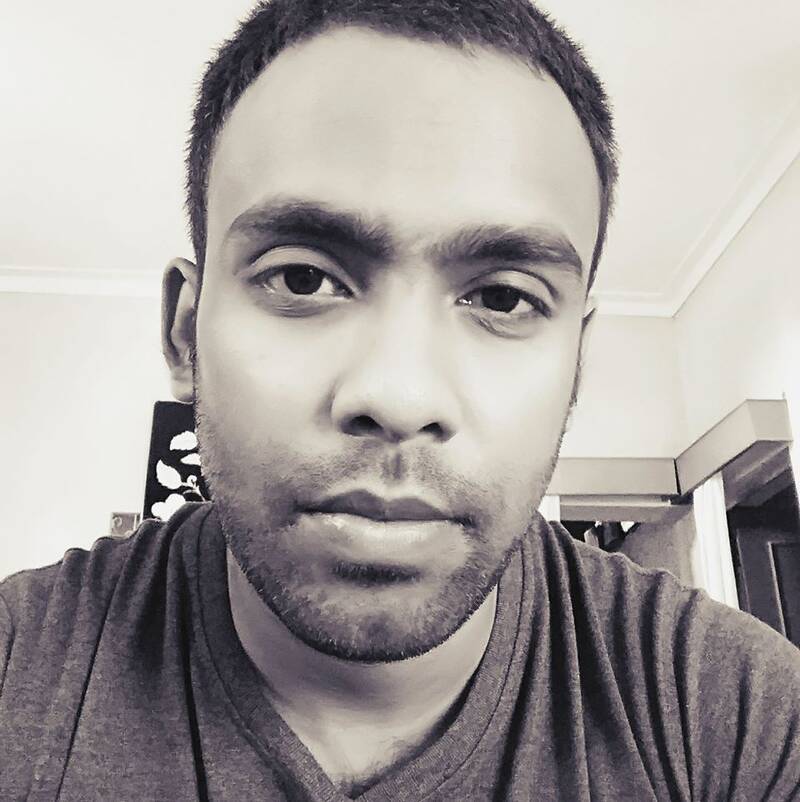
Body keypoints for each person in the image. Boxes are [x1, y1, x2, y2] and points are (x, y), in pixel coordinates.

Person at [1, 0, 799, 798]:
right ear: (185, 335)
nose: (399, 396)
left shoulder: (743, 722)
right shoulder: (17, 670)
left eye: (503, 297)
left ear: (577, 363)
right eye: (302, 278)